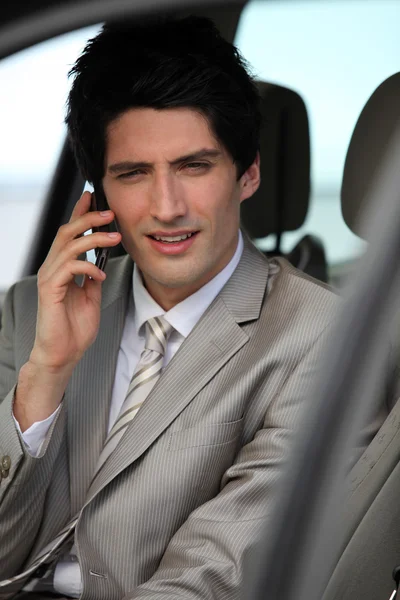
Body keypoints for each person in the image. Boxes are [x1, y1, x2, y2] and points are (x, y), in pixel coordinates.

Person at [0, 15, 339, 600]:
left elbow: (215, 577)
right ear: (98, 194)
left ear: (248, 171)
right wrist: (47, 372)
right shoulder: (29, 310)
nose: (166, 207)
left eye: (194, 166)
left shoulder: (320, 339)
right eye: (133, 174)